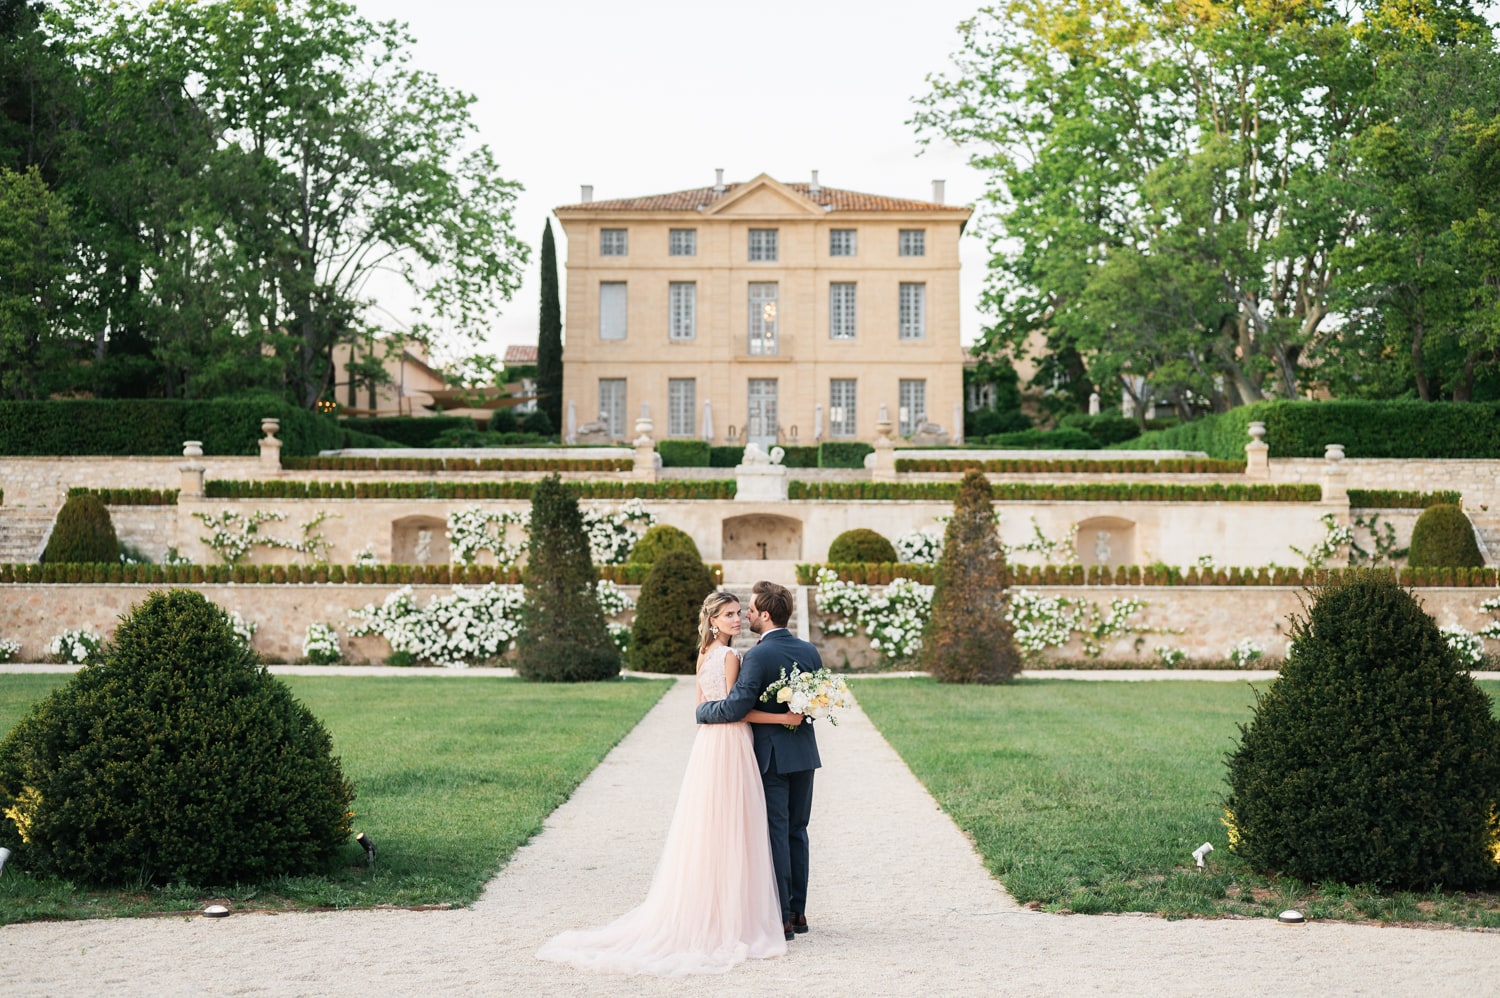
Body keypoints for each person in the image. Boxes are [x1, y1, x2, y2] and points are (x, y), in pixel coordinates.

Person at [536, 591, 797, 976]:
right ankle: (733, 918)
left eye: (739, 613)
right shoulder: (729, 657)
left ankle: (710, 907)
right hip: (730, 744)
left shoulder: (703, 655)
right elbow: (737, 711)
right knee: (735, 825)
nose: (737, 619)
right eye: (729, 615)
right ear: (713, 621)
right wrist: (781, 719)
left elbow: (700, 710)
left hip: (707, 746)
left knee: (709, 825)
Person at [696, 580, 821, 942]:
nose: (745, 615)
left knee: (777, 833)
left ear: (765, 615)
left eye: (749, 609)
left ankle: (781, 916)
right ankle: (799, 912)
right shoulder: (809, 650)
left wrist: (702, 711)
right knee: (799, 831)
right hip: (804, 754)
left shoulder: (758, 656)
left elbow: (735, 708)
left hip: (770, 759)